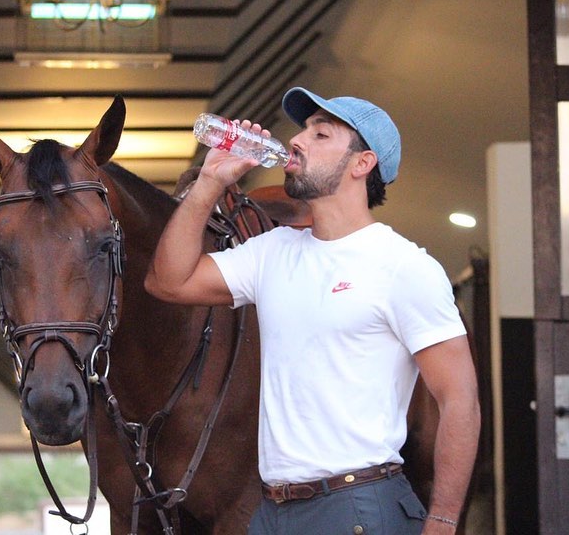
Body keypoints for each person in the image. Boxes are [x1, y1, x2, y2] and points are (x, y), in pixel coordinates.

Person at [144, 87, 481, 534]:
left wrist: (441, 521)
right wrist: (209, 183)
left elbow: (460, 400)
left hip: (359, 506)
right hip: (273, 511)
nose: (297, 141)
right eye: (303, 130)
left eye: (321, 134)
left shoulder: (404, 267)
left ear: (362, 164)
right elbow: (168, 282)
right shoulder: (272, 253)